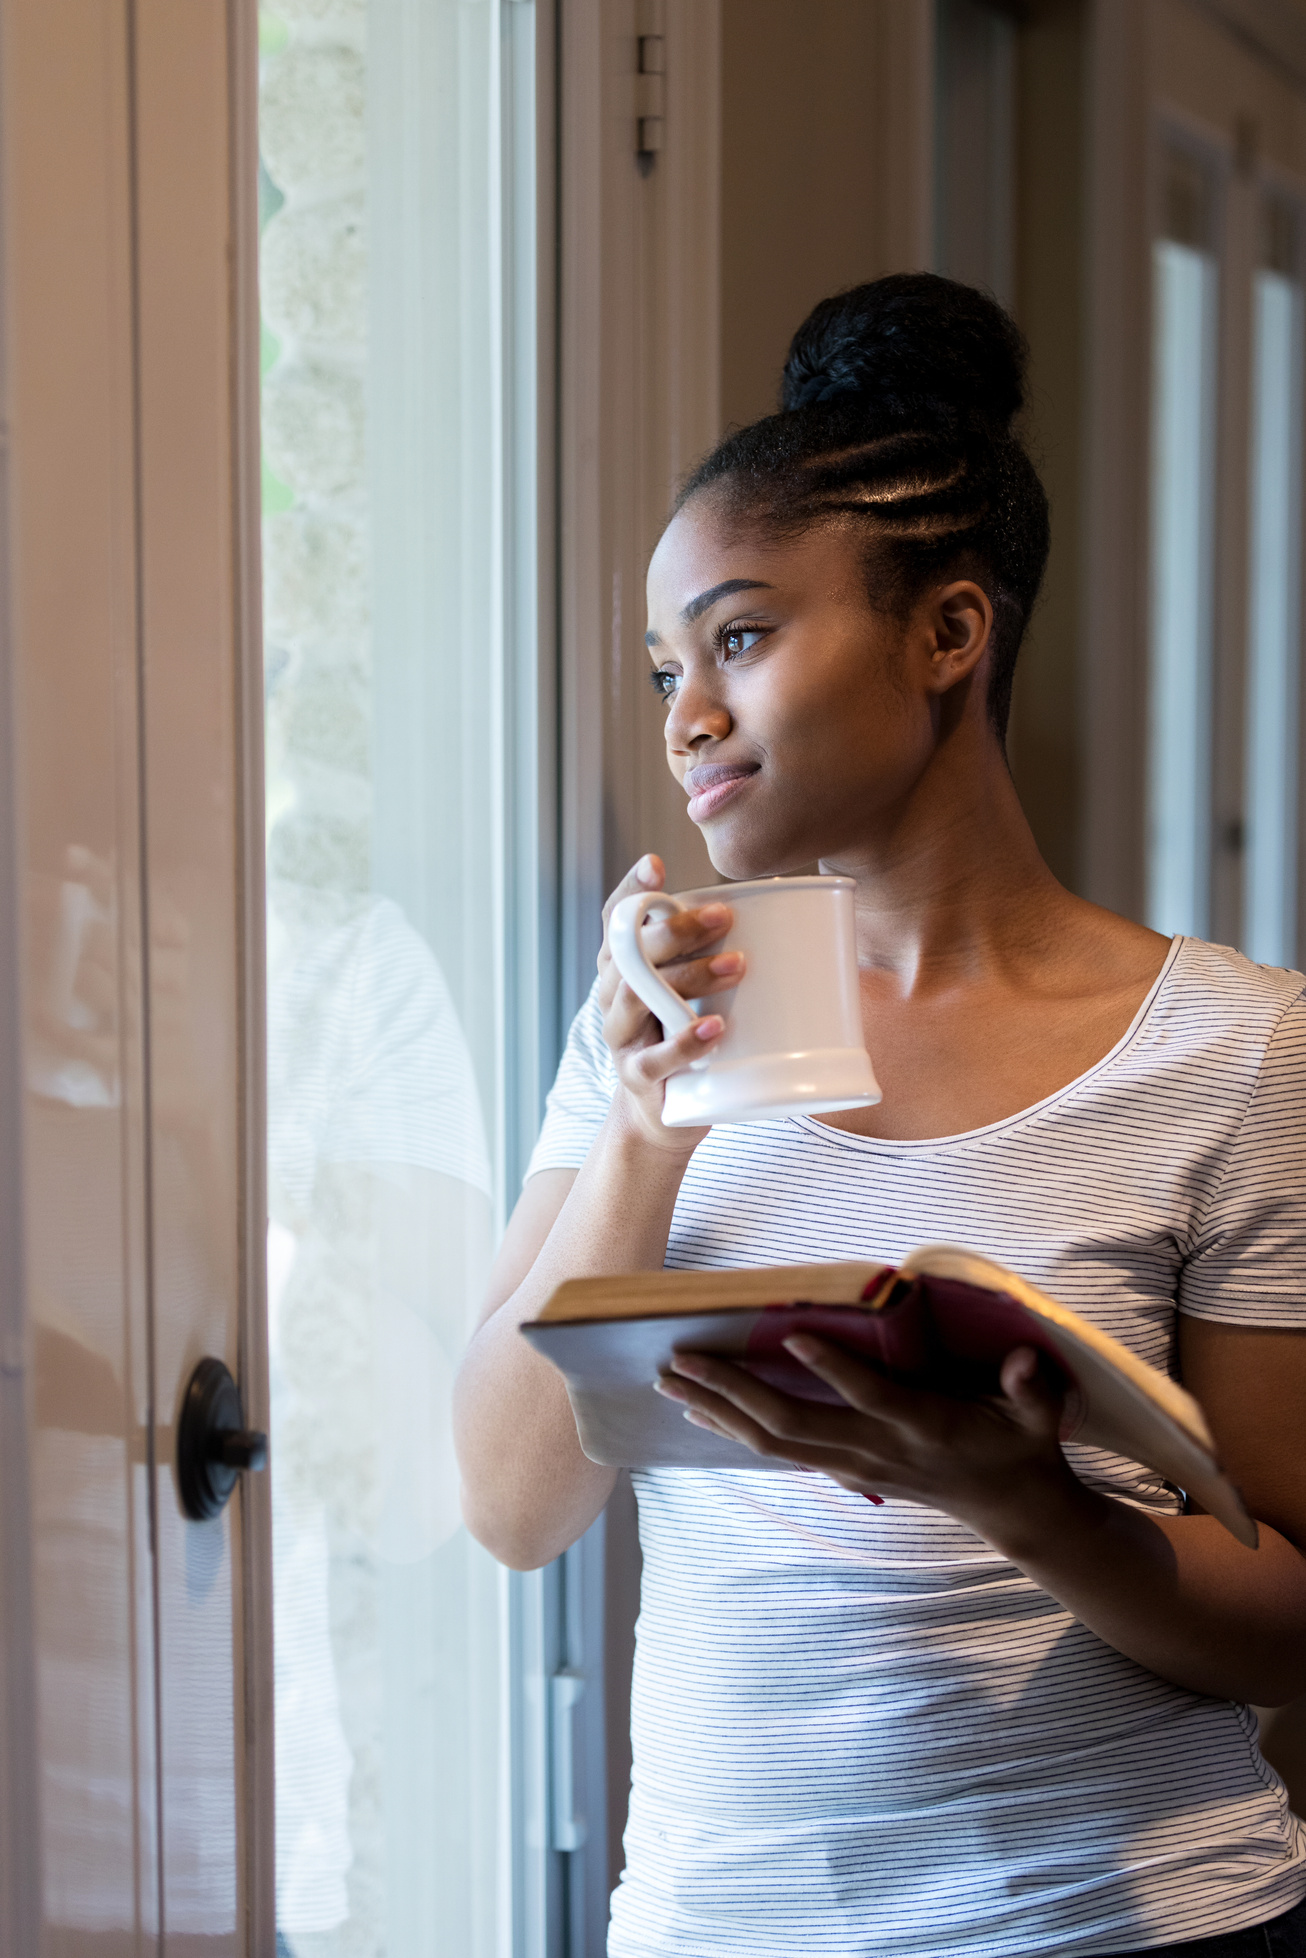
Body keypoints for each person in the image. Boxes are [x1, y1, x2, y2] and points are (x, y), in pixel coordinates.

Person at [454, 274, 1306, 1957]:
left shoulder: (1239, 1050)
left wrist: (1025, 1499)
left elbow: (1288, 1619)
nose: (688, 712)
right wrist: (641, 1119)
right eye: (663, 667)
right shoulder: (653, 1014)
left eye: (741, 635)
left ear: (945, 634)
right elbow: (509, 1504)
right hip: (721, 1923)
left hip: (1132, 1923)